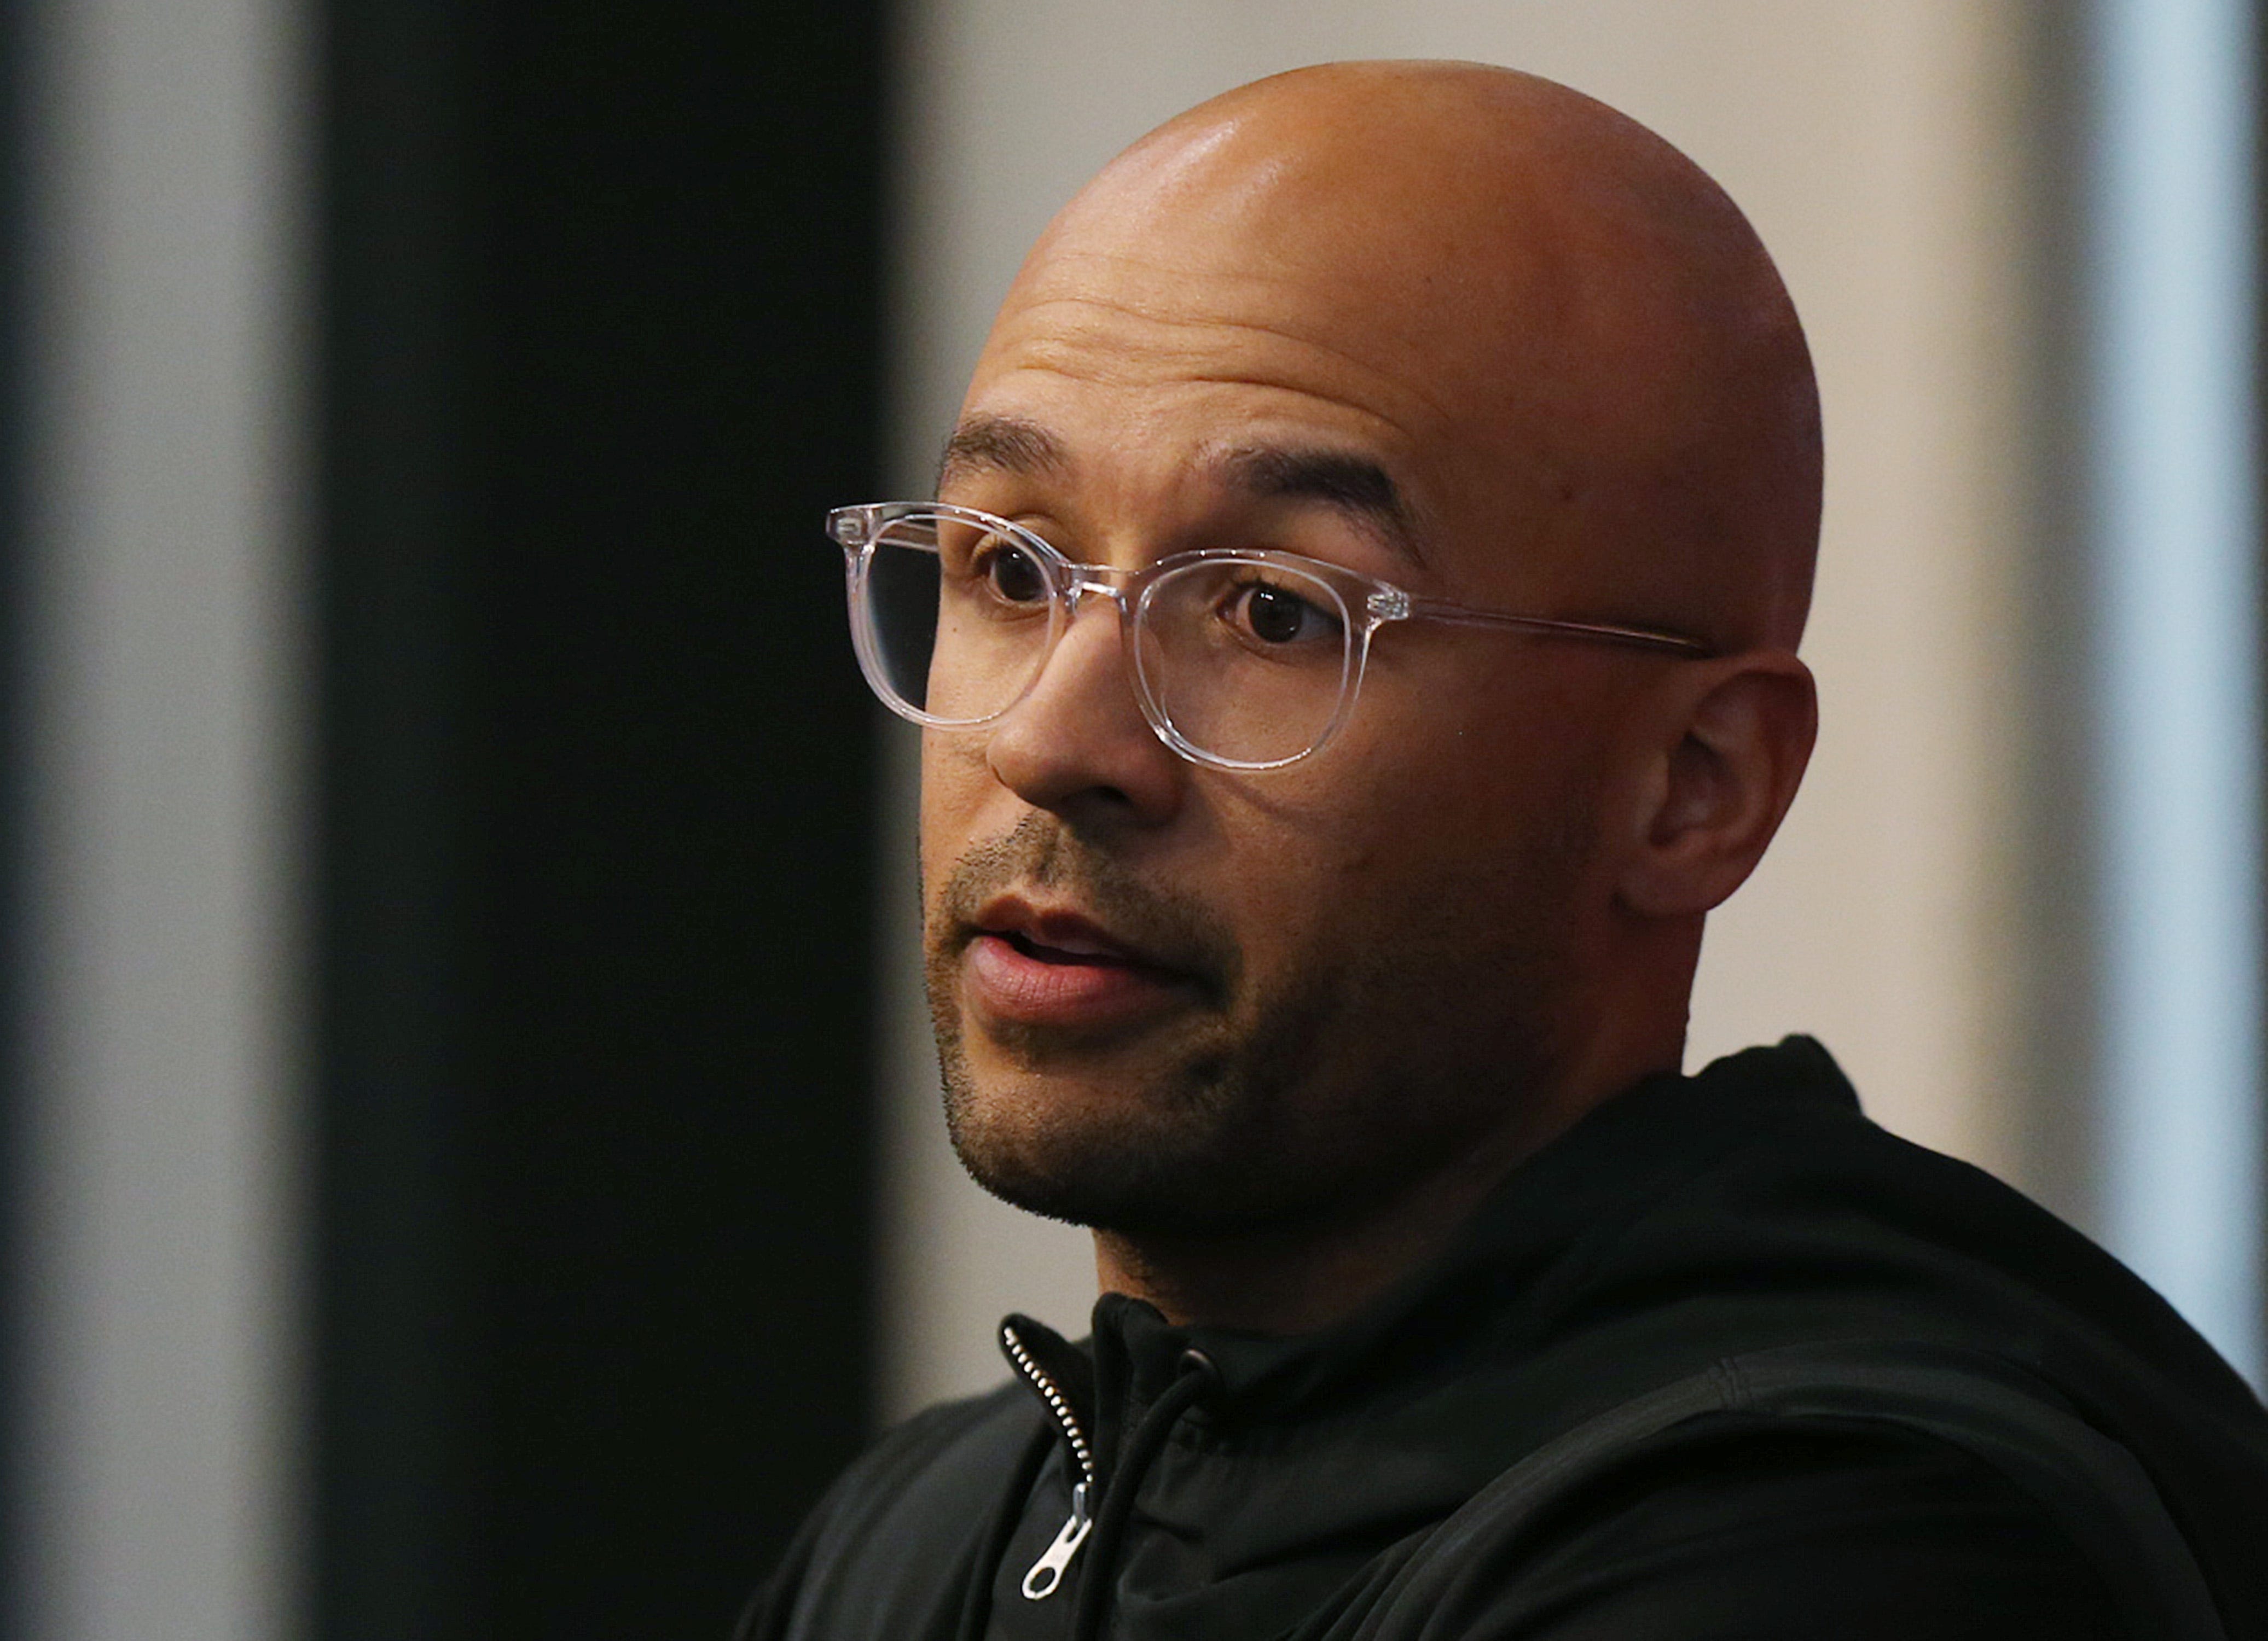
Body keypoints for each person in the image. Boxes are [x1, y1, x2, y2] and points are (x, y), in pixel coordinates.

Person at [744, 60, 2268, 1641]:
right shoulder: (933, 1533)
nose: (1052, 744)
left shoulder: (1827, 1544)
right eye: (1010, 569)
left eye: (1276, 612)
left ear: (1692, 784)